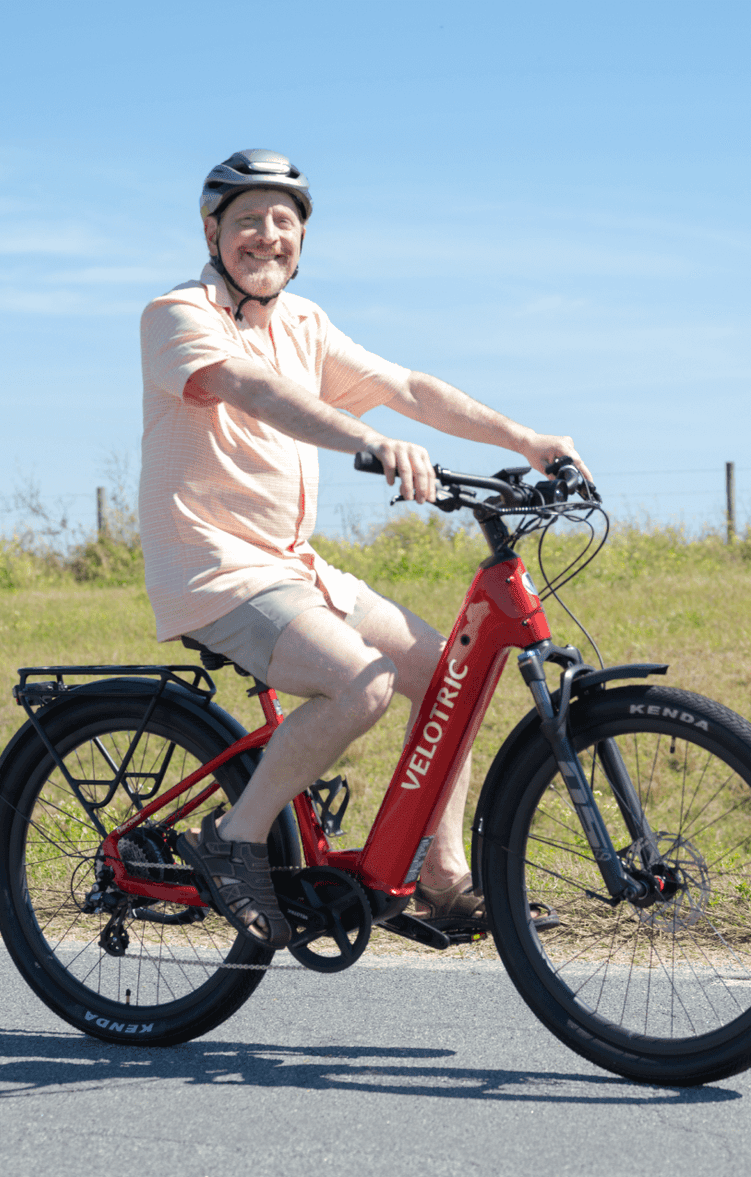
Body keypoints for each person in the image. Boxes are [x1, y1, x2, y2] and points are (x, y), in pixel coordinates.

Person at [139, 149, 591, 949]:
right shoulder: (178, 315)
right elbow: (254, 390)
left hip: (289, 559)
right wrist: (371, 444)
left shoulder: (304, 324)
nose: (267, 236)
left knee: (443, 673)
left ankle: (443, 876)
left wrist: (527, 440)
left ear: (302, 240)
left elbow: (409, 387)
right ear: (212, 231)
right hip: (214, 565)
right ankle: (232, 838)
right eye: (247, 220)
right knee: (363, 681)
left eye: (285, 222)